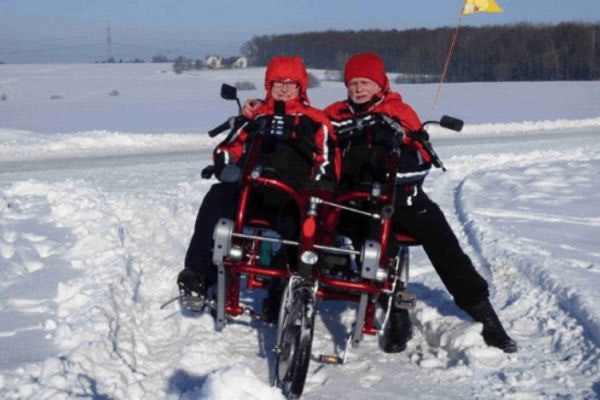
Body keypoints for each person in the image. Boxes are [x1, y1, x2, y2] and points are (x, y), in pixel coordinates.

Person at [324, 52, 518, 354]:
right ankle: (393, 307)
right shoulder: (335, 113)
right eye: (352, 83)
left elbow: (423, 153)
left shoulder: (398, 111)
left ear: (380, 84)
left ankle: (485, 315)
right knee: (359, 241)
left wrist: (401, 162)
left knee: (443, 242)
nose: (358, 89)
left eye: (365, 82)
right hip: (354, 200)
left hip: (401, 197)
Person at [177, 55, 339, 322]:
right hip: (251, 190)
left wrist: (316, 186)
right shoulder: (256, 116)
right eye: (278, 83)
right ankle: (197, 275)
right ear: (268, 85)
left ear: (301, 87)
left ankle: (282, 290)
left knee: (300, 228)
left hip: (293, 196)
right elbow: (227, 148)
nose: (284, 88)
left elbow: (328, 162)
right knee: (217, 197)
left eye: (291, 83)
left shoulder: (315, 121)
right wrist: (227, 167)